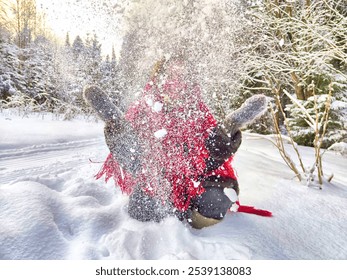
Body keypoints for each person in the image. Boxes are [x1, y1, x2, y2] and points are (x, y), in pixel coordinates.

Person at [83, 55, 268, 229]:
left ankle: (190, 217)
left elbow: (211, 159)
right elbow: (134, 160)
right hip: (155, 179)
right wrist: (116, 126)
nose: (176, 82)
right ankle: (171, 209)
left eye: (181, 76)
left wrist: (229, 129)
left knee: (217, 201)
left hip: (197, 181)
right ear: (159, 78)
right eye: (171, 75)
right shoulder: (144, 108)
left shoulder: (199, 111)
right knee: (140, 208)